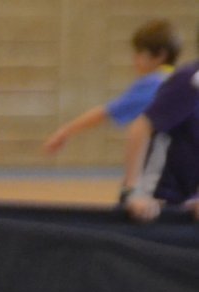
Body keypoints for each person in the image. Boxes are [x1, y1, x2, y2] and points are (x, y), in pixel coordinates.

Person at [42, 19, 180, 197]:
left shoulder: (153, 84)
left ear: (160, 55)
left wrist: (65, 132)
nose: (135, 60)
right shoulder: (180, 80)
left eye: (140, 53)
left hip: (156, 180)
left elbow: (105, 113)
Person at [123, 25, 199, 223]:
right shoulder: (189, 81)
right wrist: (133, 191)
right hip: (156, 202)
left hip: (187, 203)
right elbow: (142, 126)